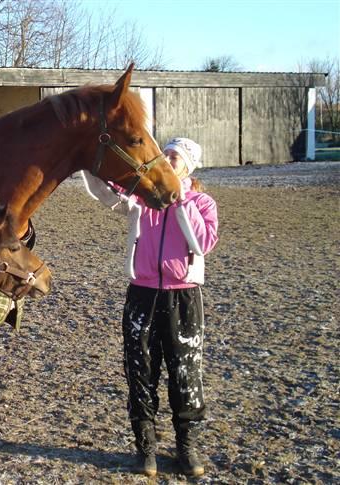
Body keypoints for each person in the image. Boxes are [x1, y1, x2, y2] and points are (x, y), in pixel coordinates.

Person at [81, 137, 218, 477]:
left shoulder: (202, 202)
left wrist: (181, 197)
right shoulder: (142, 201)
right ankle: (146, 450)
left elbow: (201, 243)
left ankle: (187, 448)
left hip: (183, 297)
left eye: (175, 157)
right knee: (140, 371)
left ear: (188, 166)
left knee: (185, 373)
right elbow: (106, 193)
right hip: (141, 294)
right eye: (165, 155)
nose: (168, 160)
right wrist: (87, 162)